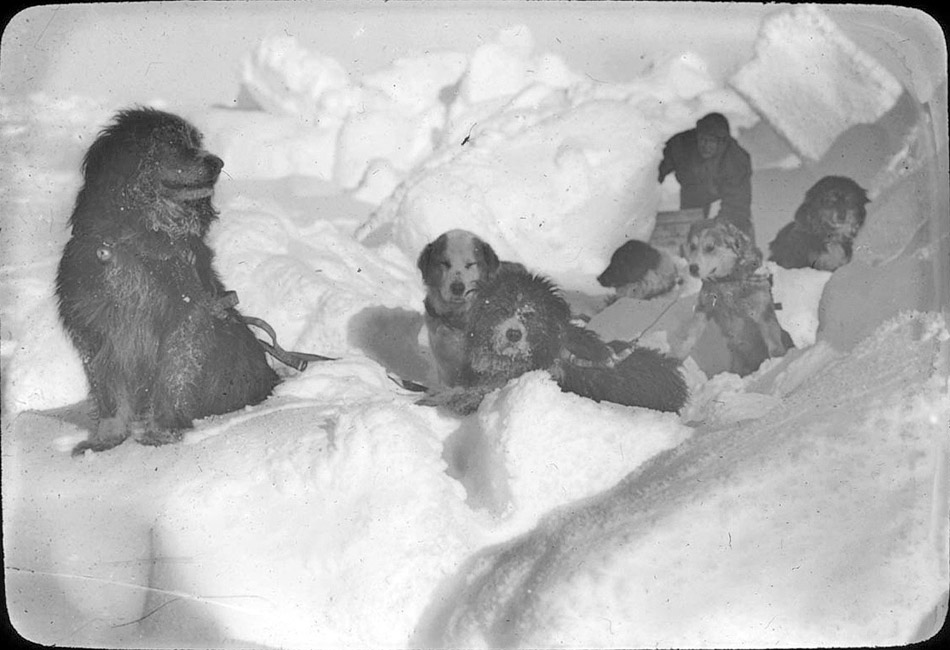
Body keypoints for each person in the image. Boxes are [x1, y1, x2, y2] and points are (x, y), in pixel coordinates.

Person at [658, 112, 754, 238]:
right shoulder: (680, 145)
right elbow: (654, 172)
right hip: (693, 190)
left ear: (722, 142)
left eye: (711, 141)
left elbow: (736, 205)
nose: (705, 145)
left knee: (735, 228)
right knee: (688, 229)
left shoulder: (735, 160)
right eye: (702, 139)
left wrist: (717, 230)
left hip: (722, 190)